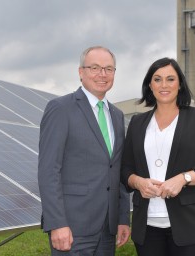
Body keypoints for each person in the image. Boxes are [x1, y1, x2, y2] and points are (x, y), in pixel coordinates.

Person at [121, 57, 195, 256]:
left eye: (170, 79)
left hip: (190, 226)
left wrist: (184, 178)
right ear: (150, 85)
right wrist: (138, 182)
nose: (164, 85)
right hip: (147, 227)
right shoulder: (137, 122)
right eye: (157, 79)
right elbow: (125, 168)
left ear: (180, 84)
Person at [38, 46, 130, 256]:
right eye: (95, 68)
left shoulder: (116, 115)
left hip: (108, 229)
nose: (102, 74)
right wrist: (57, 223)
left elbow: (117, 171)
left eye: (109, 69)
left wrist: (123, 218)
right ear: (81, 72)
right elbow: (48, 170)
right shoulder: (61, 108)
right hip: (72, 227)